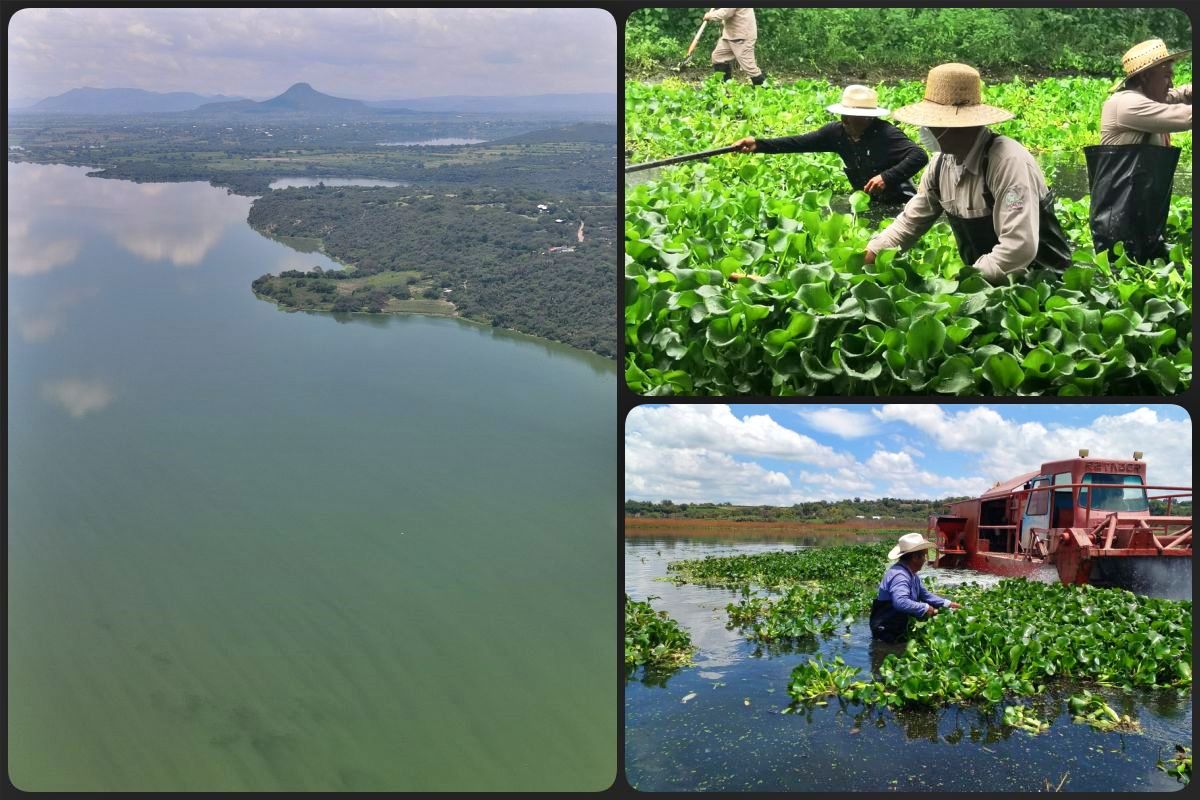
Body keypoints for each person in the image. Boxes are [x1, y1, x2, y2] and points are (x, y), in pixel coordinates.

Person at [864, 63, 1072, 283]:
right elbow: (911, 222)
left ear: (956, 125)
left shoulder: (1007, 161)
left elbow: (1019, 247)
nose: (924, 130)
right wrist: (874, 252)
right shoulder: (939, 165)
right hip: (983, 288)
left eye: (932, 122)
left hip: (1042, 288)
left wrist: (961, 281)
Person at [729, 84, 929, 206]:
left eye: (853, 116)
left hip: (900, 200)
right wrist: (758, 144)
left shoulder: (886, 133)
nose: (846, 120)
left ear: (868, 118)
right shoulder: (836, 132)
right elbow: (799, 142)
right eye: (844, 115)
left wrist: (886, 177)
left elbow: (919, 155)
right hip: (867, 199)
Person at [1087, 38, 1192, 263]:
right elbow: (1187, 115)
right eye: (1166, 76)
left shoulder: (1148, 98)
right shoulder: (1126, 105)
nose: (1171, 83)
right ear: (1145, 77)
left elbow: (1180, 94)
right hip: (1118, 232)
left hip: (1143, 226)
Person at [869, 533, 962, 643]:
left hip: (897, 627)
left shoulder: (911, 574)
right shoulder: (900, 576)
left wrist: (947, 604)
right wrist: (926, 608)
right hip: (886, 630)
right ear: (915, 557)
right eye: (924, 556)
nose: (925, 560)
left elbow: (924, 595)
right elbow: (901, 602)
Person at [705, 8, 764, 86]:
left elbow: (725, 13)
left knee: (749, 67)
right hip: (730, 35)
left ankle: (765, 90)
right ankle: (724, 88)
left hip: (742, 36)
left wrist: (709, 16)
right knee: (718, 57)